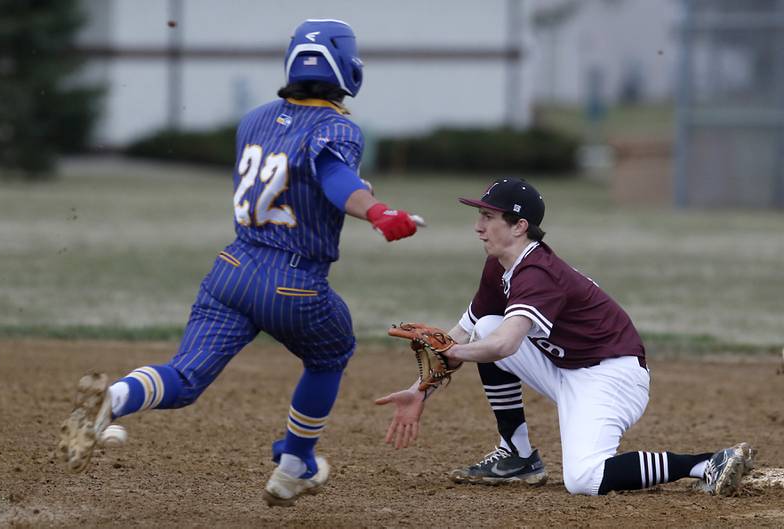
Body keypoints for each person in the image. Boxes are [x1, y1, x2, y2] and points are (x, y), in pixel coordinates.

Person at [58, 18, 421, 507]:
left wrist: (357, 196)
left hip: (232, 269)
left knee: (184, 377)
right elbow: (333, 176)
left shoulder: (254, 119)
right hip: (292, 279)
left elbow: (304, 176)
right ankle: (294, 465)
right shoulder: (338, 125)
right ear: (346, 70)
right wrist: (378, 212)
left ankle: (114, 399)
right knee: (331, 352)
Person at [375, 178, 754, 496]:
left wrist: (456, 350)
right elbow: (459, 336)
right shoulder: (499, 267)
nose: (478, 226)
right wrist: (419, 389)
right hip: (565, 367)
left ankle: (705, 463)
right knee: (486, 326)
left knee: (584, 479)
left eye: (488, 217)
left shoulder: (538, 273)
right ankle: (517, 455)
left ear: (519, 225)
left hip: (611, 377)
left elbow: (503, 345)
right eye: (480, 215)